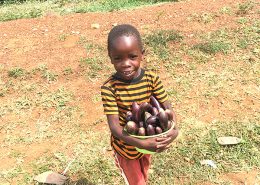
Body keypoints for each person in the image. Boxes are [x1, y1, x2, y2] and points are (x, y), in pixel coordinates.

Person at [101, 24, 179, 185]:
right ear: (110, 57)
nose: (126, 63)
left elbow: (167, 108)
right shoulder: (110, 88)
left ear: (142, 54)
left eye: (132, 56)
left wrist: (175, 130)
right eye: (118, 58)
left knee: (144, 173)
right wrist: (140, 143)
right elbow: (115, 127)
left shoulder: (152, 79)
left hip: (148, 143)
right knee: (137, 182)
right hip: (126, 148)